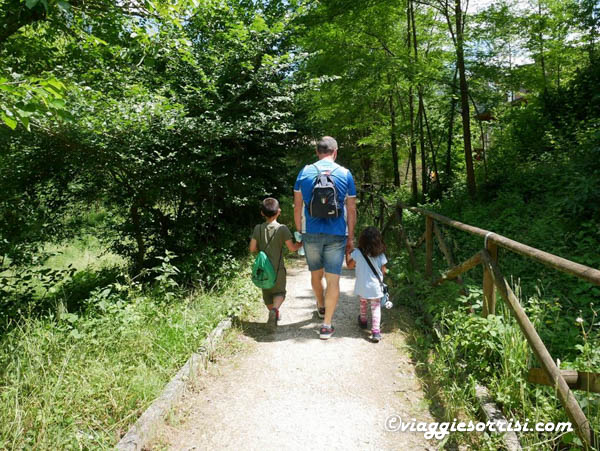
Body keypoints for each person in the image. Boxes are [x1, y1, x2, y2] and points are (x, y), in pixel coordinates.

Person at [293, 136, 357, 340]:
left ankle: (320, 305)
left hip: (311, 232)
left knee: (315, 274)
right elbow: (351, 208)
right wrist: (351, 238)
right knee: (333, 279)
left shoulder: (304, 172)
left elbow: (297, 206)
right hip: (337, 234)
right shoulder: (345, 174)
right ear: (335, 152)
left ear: (317, 152)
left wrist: (299, 231)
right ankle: (327, 325)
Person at [249, 198, 303, 327]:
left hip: (263, 269)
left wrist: (259, 251)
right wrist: (300, 244)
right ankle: (275, 310)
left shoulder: (258, 228)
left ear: (262, 213)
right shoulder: (282, 229)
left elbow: (252, 248)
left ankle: (272, 311)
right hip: (278, 269)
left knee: (267, 293)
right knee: (279, 293)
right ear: (279, 212)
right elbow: (292, 248)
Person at [345, 226, 388, 343]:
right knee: (375, 307)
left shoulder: (357, 253)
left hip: (362, 285)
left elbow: (349, 266)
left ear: (362, 240)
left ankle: (363, 321)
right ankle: (376, 332)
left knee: (363, 303)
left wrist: (347, 253)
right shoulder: (380, 254)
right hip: (375, 286)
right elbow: (383, 270)